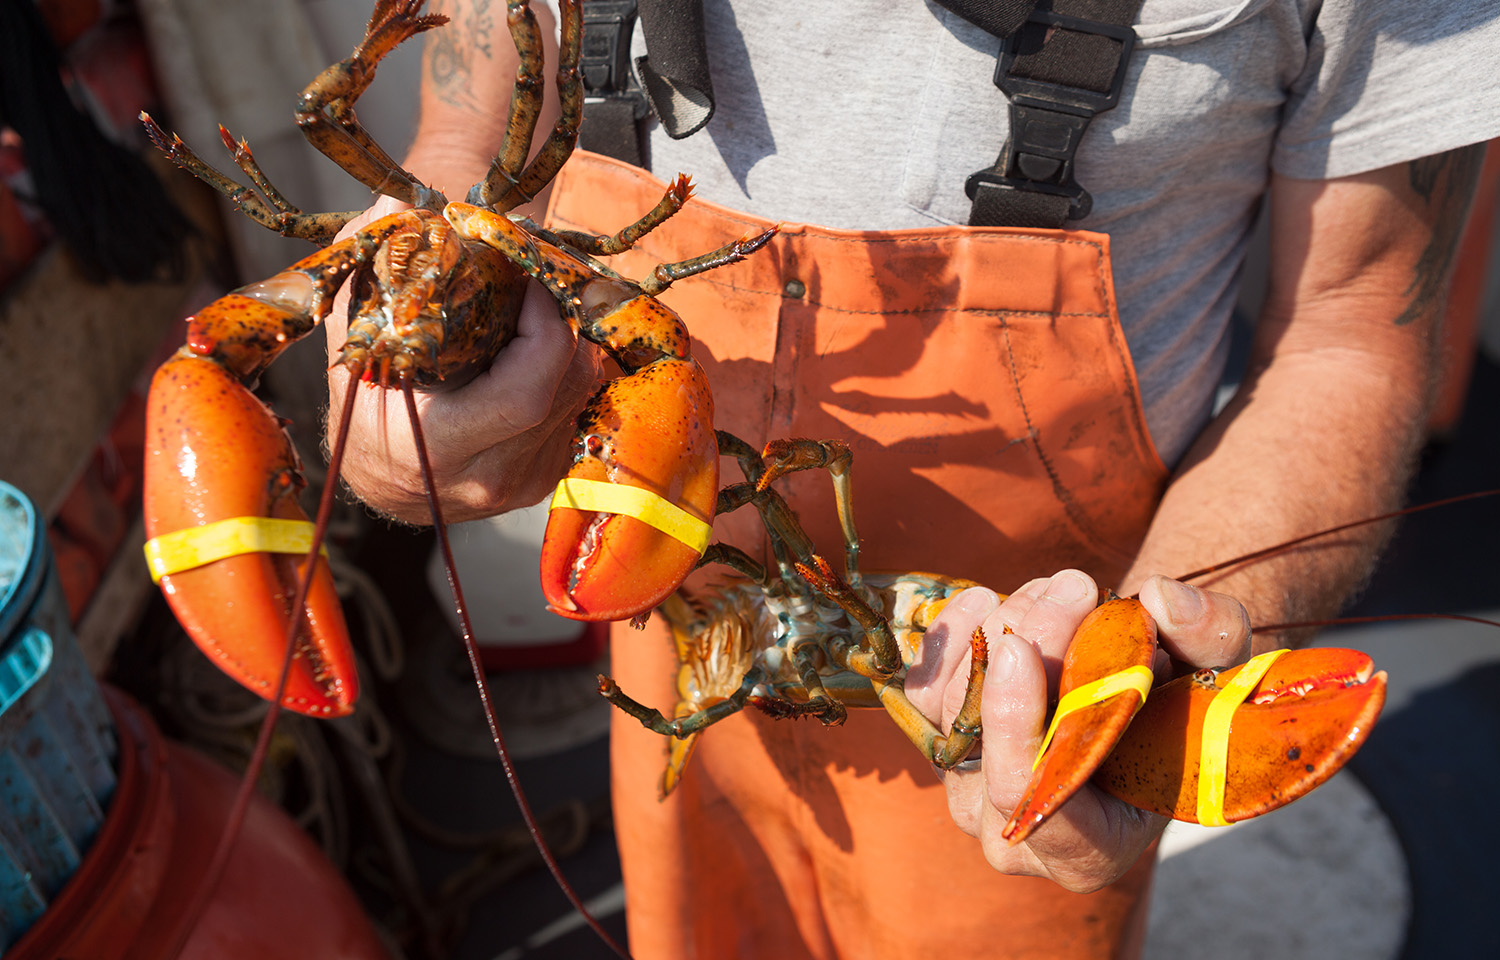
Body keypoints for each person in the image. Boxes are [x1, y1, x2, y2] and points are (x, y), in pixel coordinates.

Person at [324, 1, 1500, 956]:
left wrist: (1134, 679)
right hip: (665, 588)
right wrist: (417, 384)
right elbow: (469, 133)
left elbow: (1353, 329)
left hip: (1022, 675)